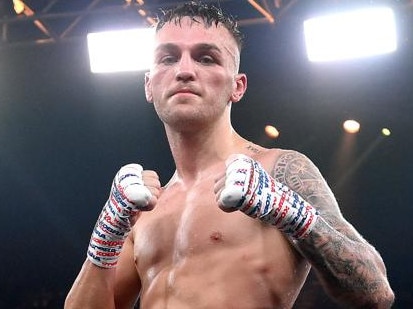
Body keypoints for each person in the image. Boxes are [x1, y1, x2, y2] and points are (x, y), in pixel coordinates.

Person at [65, 2, 394, 308]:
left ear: (238, 86)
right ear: (149, 85)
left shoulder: (279, 170)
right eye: (168, 57)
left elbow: (376, 292)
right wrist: (106, 235)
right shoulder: (145, 208)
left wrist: (290, 211)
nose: (184, 71)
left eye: (206, 57)